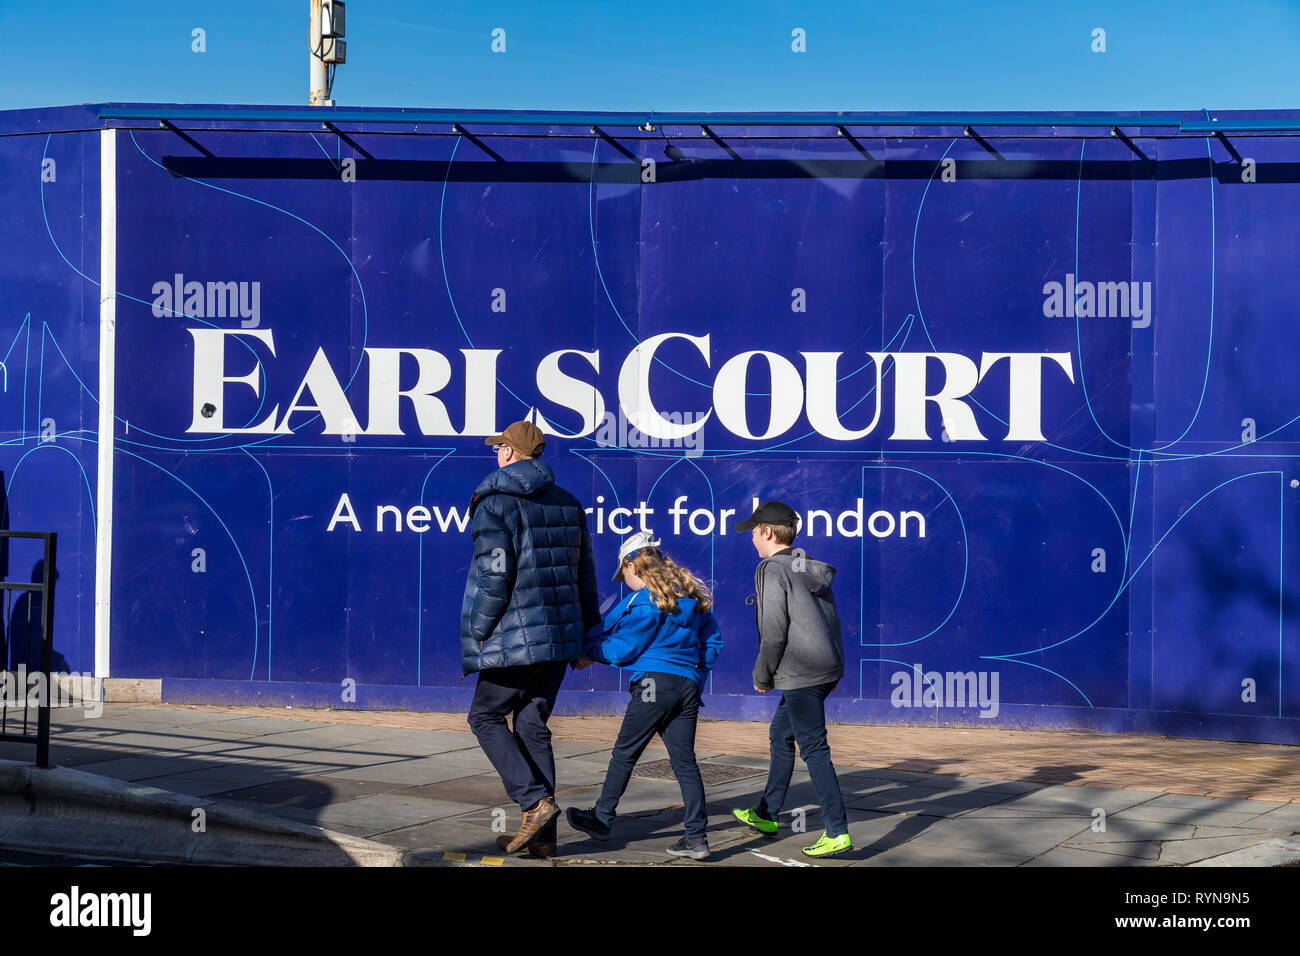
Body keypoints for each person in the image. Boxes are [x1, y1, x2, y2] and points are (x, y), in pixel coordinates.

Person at [460, 420, 600, 858]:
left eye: (498, 446)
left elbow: (494, 575)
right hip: (559, 639)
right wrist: (586, 636)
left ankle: (534, 803)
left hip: (513, 636)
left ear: (507, 453)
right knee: (532, 724)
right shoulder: (569, 503)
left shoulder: (494, 503)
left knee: (484, 717)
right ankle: (543, 841)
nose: (495, 453)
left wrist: (479, 631)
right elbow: (586, 575)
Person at [566, 531, 724, 860]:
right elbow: (712, 643)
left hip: (654, 683)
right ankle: (696, 837)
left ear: (632, 566)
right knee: (685, 763)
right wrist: (696, 677)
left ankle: (602, 819)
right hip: (687, 685)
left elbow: (624, 648)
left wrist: (587, 652)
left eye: (623, 575)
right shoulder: (689, 596)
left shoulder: (646, 600)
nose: (624, 582)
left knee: (625, 753)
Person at [729, 500, 852, 858]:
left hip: (800, 672)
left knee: (814, 748)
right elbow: (832, 620)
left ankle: (837, 830)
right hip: (824, 669)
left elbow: (774, 631)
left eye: (754, 531)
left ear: (767, 532)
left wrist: (762, 673)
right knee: (780, 734)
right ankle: (767, 813)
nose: (751, 537)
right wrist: (835, 669)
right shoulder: (807, 566)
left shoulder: (771, 569)